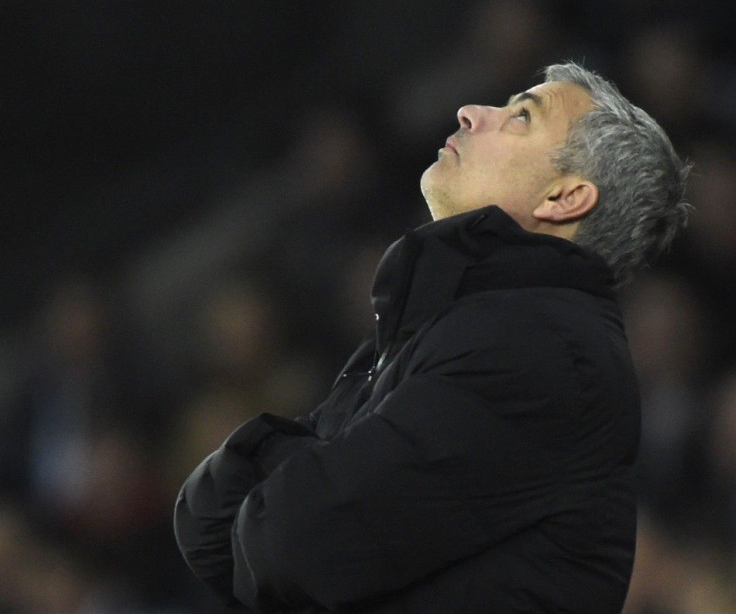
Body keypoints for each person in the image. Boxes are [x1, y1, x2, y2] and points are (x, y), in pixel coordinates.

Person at [174, 62, 691, 614]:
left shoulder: (542, 348)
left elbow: (293, 539)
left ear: (564, 198)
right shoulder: (447, 325)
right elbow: (206, 526)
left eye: (520, 117)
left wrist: (294, 461)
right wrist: (309, 468)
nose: (471, 112)